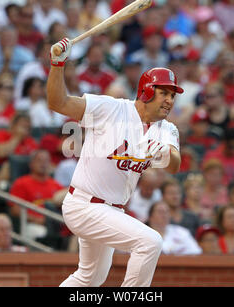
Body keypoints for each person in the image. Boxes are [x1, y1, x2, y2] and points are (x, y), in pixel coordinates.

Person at [47, 38, 183, 287]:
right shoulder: (111, 109)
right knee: (150, 242)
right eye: (164, 92)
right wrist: (58, 64)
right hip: (83, 204)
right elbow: (58, 103)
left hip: (112, 210)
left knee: (89, 278)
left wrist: (165, 151)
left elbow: (174, 165)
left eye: (172, 95)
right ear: (147, 91)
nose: (169, 100)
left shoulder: (166, 129)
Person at [9, 150, 64, 241]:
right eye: (39, 161)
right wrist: (37, 220)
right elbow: (15, 210)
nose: (43, 164)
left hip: (55, 224)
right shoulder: (21, 183)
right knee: (41, 233)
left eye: (46, 161)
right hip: (32, 224)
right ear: (31, 164)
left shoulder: (56, 185)